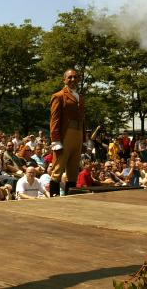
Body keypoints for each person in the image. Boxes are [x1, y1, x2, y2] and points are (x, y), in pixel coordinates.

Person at [48, 69, 85, 197]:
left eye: (75, 77)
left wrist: (84, 140)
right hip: (65, 135)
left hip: (78, 134)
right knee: (58, 168)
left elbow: (83, 119)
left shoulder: (80, 97)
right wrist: (55, 140)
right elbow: (54, 120)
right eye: (69, 77)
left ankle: (71, 198)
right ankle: (54, 198)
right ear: (64, 80)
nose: (73, 79)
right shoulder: (58, 96)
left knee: (73, 170)